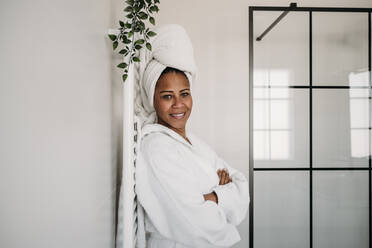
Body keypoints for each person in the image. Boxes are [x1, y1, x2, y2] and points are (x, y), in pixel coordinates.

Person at [135, 24, 249, 248]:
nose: (179, 104)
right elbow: (199, 225)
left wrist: (212, 197)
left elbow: (242, 188)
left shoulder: (196, 143)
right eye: (168, 96)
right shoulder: (156, 148)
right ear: (152, 100)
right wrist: (224, 193)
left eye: (184, 94)